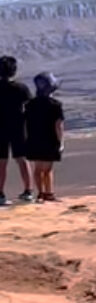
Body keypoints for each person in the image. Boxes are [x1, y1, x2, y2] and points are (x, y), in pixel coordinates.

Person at [22, 73, 63, 204]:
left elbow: (25, 124)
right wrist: (61, 142)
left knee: (37, 169)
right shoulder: (55, 105)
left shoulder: (30, 104)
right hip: (50, 140)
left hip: (34, 139)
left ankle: (40, 193)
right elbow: (58, 125)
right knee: (48, 169)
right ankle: (49, 193)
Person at [0, 58, 30, 205]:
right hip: (18, 127)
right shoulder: (21, 88)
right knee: (22, 160)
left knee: (1, 162)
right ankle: (28, 191)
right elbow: (30, 108)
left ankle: (0, 194)